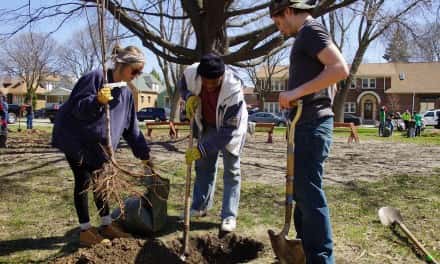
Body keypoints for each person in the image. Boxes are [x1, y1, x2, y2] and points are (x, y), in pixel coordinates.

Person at [270, 0, 349, 263]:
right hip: (304, 124)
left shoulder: (311, 31)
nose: (280, 29)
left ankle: (321, 259)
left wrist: (295, 92)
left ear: (289, 11)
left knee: (309, 193)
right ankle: (306, 252)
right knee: (302, 193)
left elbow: (339, 68)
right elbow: (329, 80)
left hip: (312, 124)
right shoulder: (306, 35)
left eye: (279, 22)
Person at [52, 45, 152, 247]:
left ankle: (106, 225)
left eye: (140, 72)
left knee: (101, 181)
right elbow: (78, 108)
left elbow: (131, 129)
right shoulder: (96, 78)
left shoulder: (125, 93)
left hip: (98, 147)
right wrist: (97, 100)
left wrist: (144, 155)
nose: (137, 75)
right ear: (122, 65)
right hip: (76, 139)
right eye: (135, 71)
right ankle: (85, 230)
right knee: (84, 180)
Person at [179, 53, 248, 232]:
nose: (209, 86)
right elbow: (182, 84)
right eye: (206, 81)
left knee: (232, 171)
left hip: (229, 129)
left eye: (214, 82)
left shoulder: (234, 90)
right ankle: (199, 207)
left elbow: (227, 133)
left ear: (222, 76)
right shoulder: (192, 73)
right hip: (208, 123)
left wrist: (202, 148)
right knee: (203, 166)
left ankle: (229, 216)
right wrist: (188, 96)